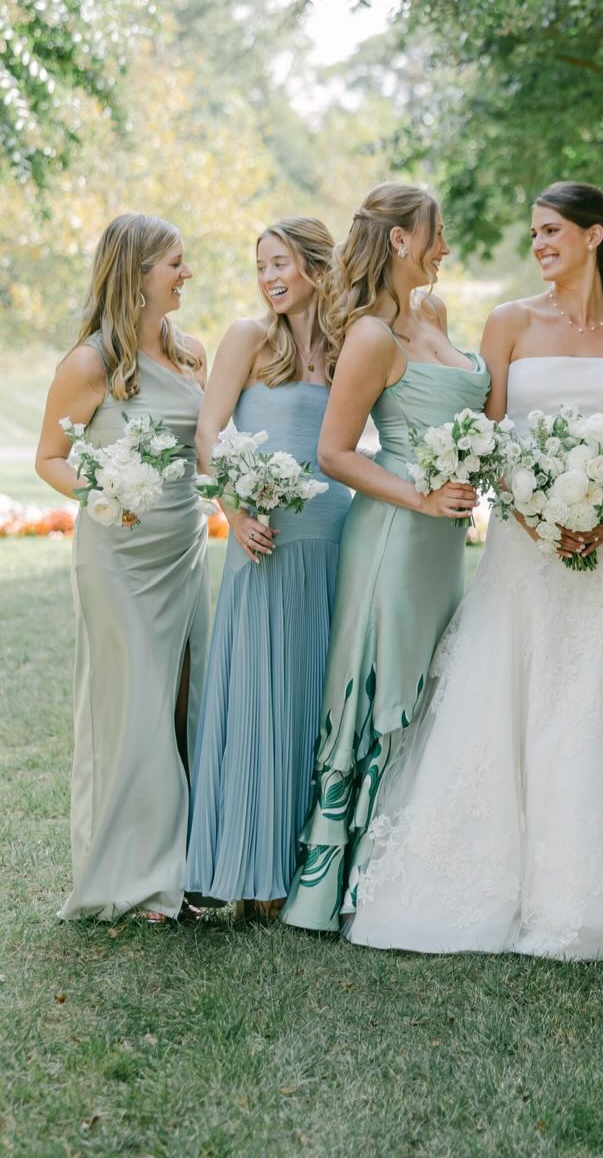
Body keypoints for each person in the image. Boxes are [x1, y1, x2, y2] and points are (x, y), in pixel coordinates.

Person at [345, 183, 603, 959]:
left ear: (596, 237)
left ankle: (600, 898)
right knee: (510, 701)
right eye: (534, 232)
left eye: (553, 230)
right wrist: (534, 515)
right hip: (523, 549)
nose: (539, 244)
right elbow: (487, 439)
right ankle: (478, 888)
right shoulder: (509, 323)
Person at [282, 185, 488, 932]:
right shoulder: (370, 336)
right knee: (384, 682)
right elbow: (333, 453)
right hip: (396, 535)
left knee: (433, 681)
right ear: (400, 240)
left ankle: (414, 861)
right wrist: (420, 497)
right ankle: (347, 882)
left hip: (441, 539)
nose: (444, 247)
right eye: (436, 234)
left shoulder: (431, 316)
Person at [35, 213, 209, 922]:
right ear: (138, 274)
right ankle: (137, 880)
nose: (185, 274)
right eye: (174, 263)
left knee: (182, 705)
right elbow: (48, 457)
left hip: (183, 550)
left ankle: (184, 866)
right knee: (134, 705)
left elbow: (205, 452)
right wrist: (103, 491)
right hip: (117, 558)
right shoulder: (91, 362)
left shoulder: (192, 353)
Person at [186, 219, 351, 918]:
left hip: (333, 534)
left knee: (316, 696)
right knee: (260, 695)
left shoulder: (350, 345)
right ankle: (249, 870)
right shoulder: (247, 339)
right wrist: (235, 509)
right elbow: (207, 431)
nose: (268, 278)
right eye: (261, 266)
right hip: (264, 537)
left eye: (280, 263)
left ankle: (301, 871)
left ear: (316, 266)